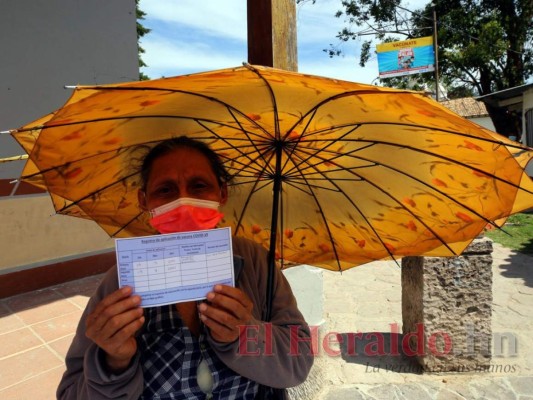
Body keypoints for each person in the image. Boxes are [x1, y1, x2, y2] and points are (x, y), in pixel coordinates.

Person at [57, 136, 314, 399]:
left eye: (199, 185)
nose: (184, 201)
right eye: (165, 190)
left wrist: (246, 333)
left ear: (221, 193)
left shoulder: (256, 263)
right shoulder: (122, 282)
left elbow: (298, 363)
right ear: (144, 200)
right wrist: (112, 362)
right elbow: (69, 393)